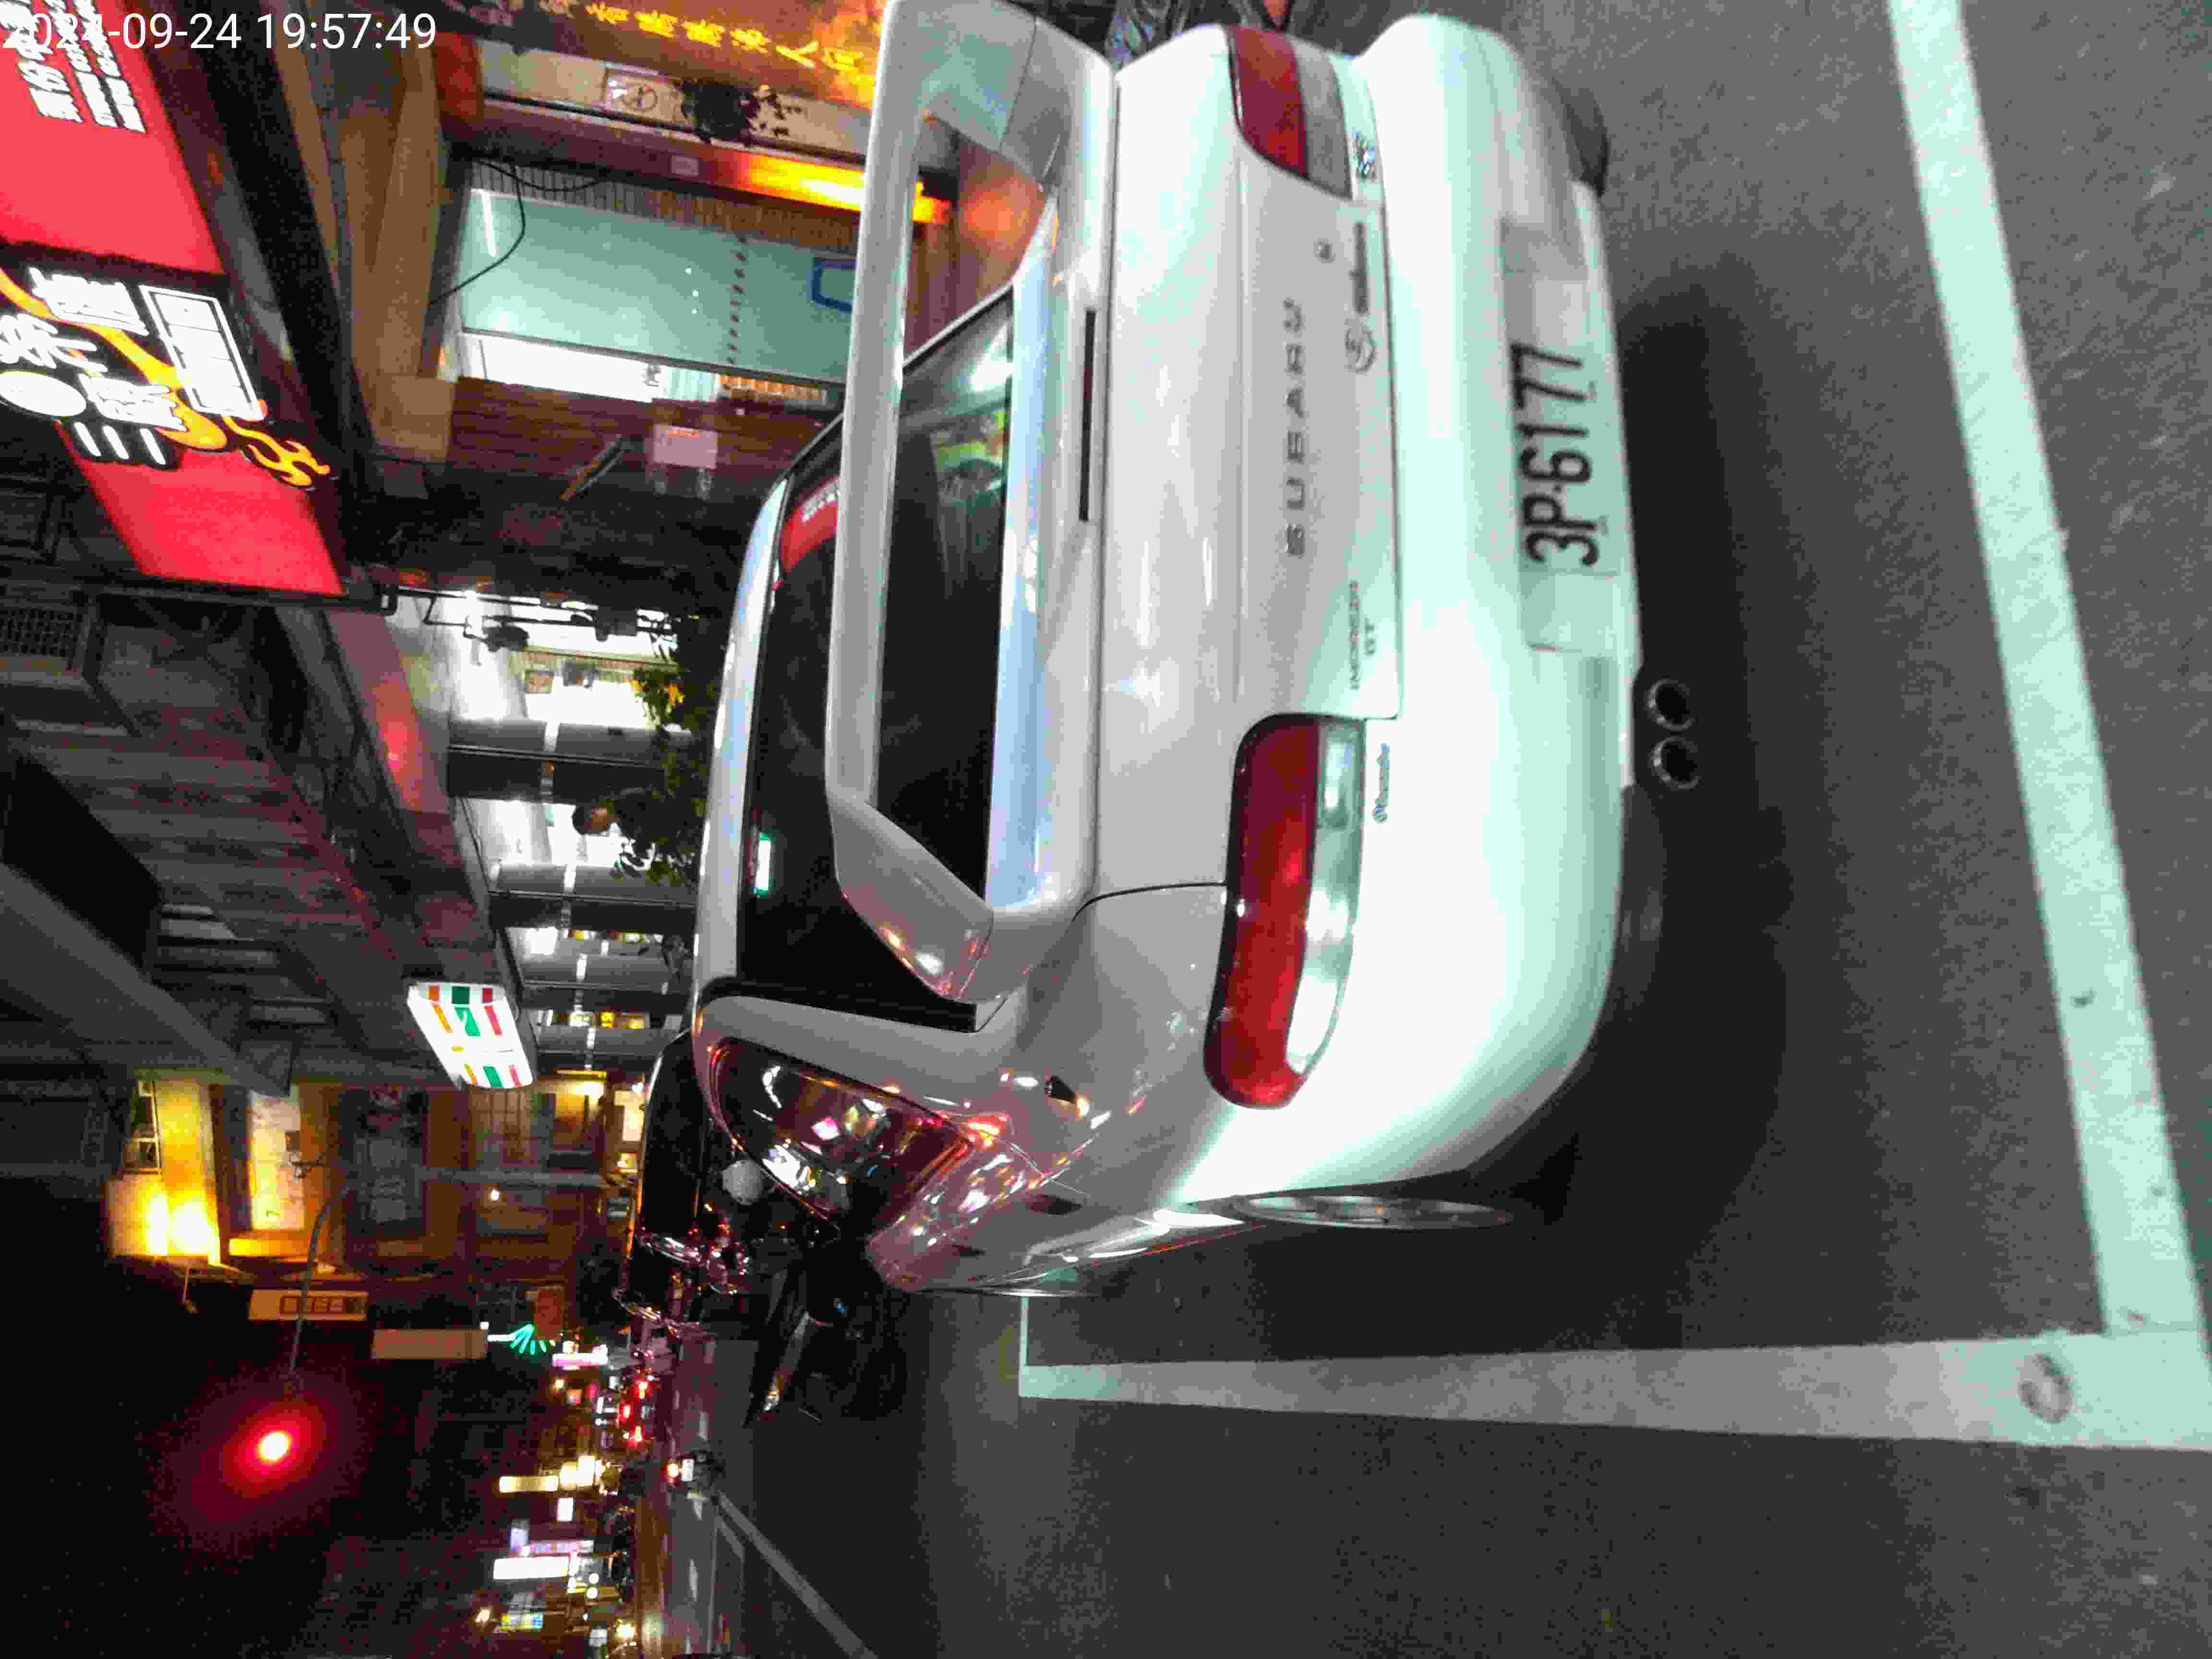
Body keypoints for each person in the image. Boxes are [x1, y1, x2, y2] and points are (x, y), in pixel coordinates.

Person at [572, 786, 655, 842]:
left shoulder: (625, 798)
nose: (597, 833)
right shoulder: (628, 831)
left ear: (592, 814)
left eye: (591, 831)